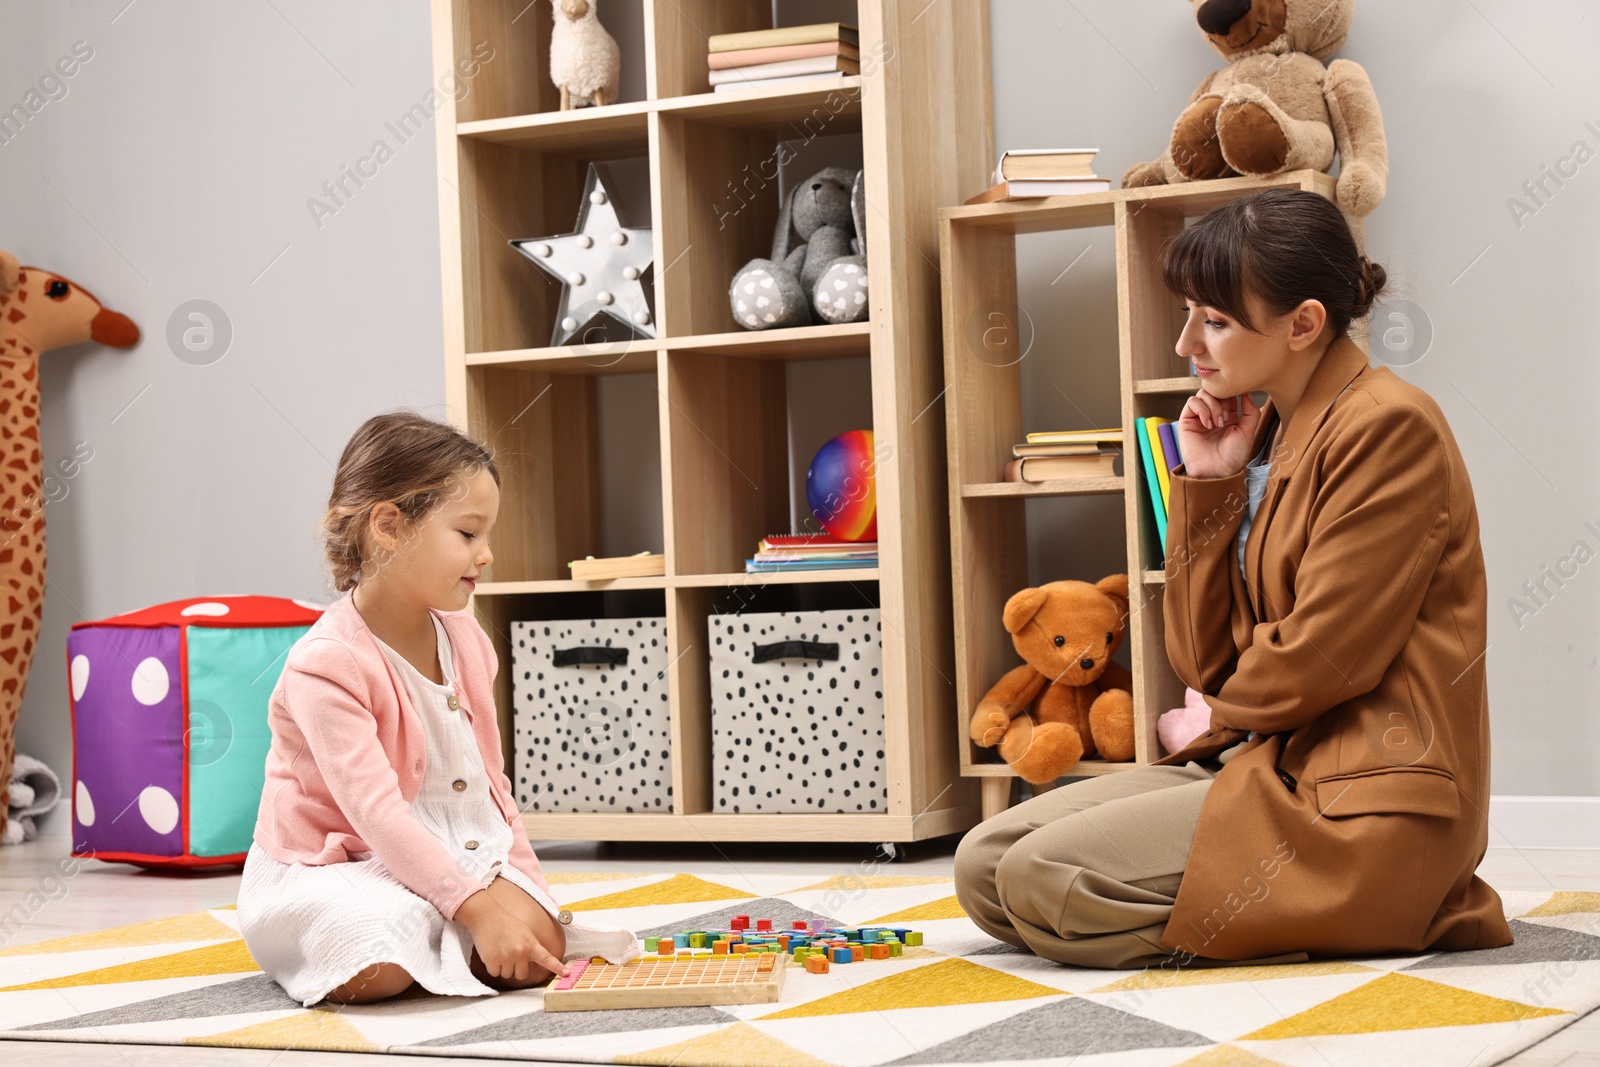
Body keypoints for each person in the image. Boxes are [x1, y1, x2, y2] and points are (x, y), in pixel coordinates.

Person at [954, 188, 1513, 970]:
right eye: (1189, 312)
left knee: (1039, 876)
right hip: (1268, 760)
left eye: (1213, 320)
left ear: (1304, 323)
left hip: (1360, 803)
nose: (1187, 341)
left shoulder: (1390, 426)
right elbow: (1201, 656)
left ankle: (1368, 908)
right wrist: (1208, 484)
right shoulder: (1269, 434)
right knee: (984, 863)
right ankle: (1227, 911)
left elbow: (1322, 656)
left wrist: (1219, 713)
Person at [238, 411, 637, 1007]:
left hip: (451, 843)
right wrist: (478, 909)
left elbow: (492, 788)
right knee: (380, 965)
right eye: (468, 534)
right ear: (390, 527)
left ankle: (444, 921)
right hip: (332, 861)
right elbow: (376, 816)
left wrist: (532, 890)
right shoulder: (325, 662)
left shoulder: (468, 642)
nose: (487, 555)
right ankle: (381, 933)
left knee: (538, 945)